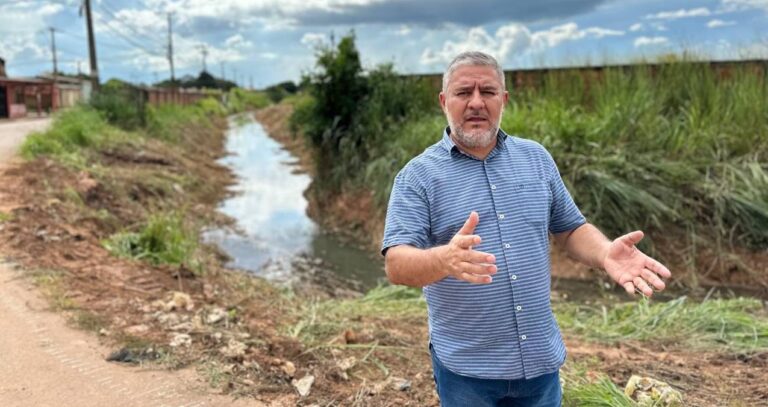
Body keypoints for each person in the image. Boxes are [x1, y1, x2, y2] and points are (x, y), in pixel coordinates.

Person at [381, 51, 671, 406]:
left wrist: (605, 252)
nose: (476, 102)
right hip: (467, 372)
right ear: (444, 102)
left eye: (487, 92)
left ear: (503, 100)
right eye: (463, 93)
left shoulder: (536, 158)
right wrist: (444, 260)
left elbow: (569, 229)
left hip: (540, 365)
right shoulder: (417, 177)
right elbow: (396, 264)